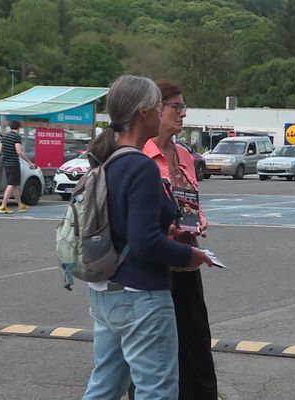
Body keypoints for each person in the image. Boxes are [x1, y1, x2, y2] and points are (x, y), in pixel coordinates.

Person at [81, 75, 212, 400]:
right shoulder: (141, 167)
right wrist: (190, 256)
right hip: (141, 295)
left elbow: (123, 226)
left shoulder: (110, 160)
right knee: (158, 390)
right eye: (159, 106)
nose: (165, 113)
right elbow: (144, 243)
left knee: (104, 387)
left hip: (105, 292)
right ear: (143, 112)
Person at [138, 80, 218, 400]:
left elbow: (190, 201)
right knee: (156, 348)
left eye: (184, 107)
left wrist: (198, 220)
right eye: (177, 107)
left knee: (196, 342)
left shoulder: (185, 154)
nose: (183, 113)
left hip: (186, 256)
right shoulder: (140, 153)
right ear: (157, 109)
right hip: (156, 262)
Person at [0, 120, 36, 214]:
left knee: (14, 185)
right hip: (14, 163)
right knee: (11, 184)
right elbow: (19, 151)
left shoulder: (5, 136)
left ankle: (20, 205)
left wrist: (7, 154)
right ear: (19, 128)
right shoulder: (16, 137)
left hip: (6, 163)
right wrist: (29, 163)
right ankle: (3, 206)